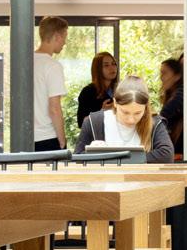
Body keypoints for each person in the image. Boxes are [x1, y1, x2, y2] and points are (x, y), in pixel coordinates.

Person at [77, 76, 176, 163]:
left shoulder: (154, 122)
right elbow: (76, 158)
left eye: (138, 113)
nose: (131, 120)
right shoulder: (94, 122)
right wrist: (91, 151)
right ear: (115, 103)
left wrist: (106, 157)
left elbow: (167, 155)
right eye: (125, 112)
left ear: (145, 108)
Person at [31, 16, 70, 151]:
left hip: (25, 137)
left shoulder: (25, 62)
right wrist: (62, 141)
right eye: (64, 37)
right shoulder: (52, 66)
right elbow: (54, 108)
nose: (64, 42)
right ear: (57, 36)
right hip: (47, 138)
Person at [76, 51, 120, 126]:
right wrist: (102, 112)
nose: (112, 68)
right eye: (106, 65)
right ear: (98, 69)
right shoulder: (88, 92)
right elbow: (81, 123)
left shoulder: (120, 90)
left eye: (114, 64)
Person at [159, 56, 185, 154]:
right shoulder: (172, 94)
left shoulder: (181, 93)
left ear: (177, 76)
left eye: (164, 73)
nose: (161, 77)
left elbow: (164, 115)